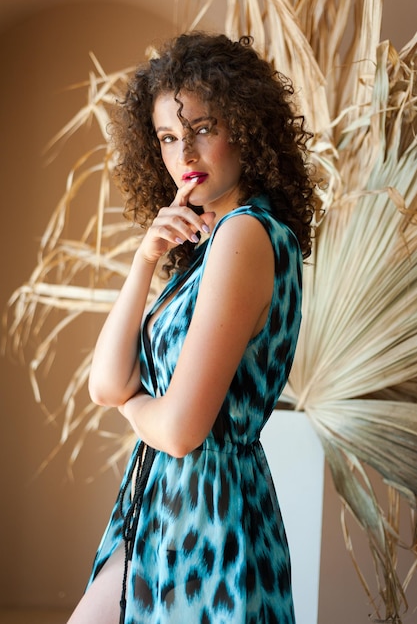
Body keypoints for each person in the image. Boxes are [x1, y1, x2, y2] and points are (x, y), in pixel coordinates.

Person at [68, 31, 316, 624]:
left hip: (207, 526)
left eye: (203, 129)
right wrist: (144, 259)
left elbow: (179, 430)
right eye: (169, 137)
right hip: (163, 514)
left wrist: (133, 405)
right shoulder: (214, 245)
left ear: (247, 129)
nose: (185, 154)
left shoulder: (245, 235)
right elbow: (105, 383)